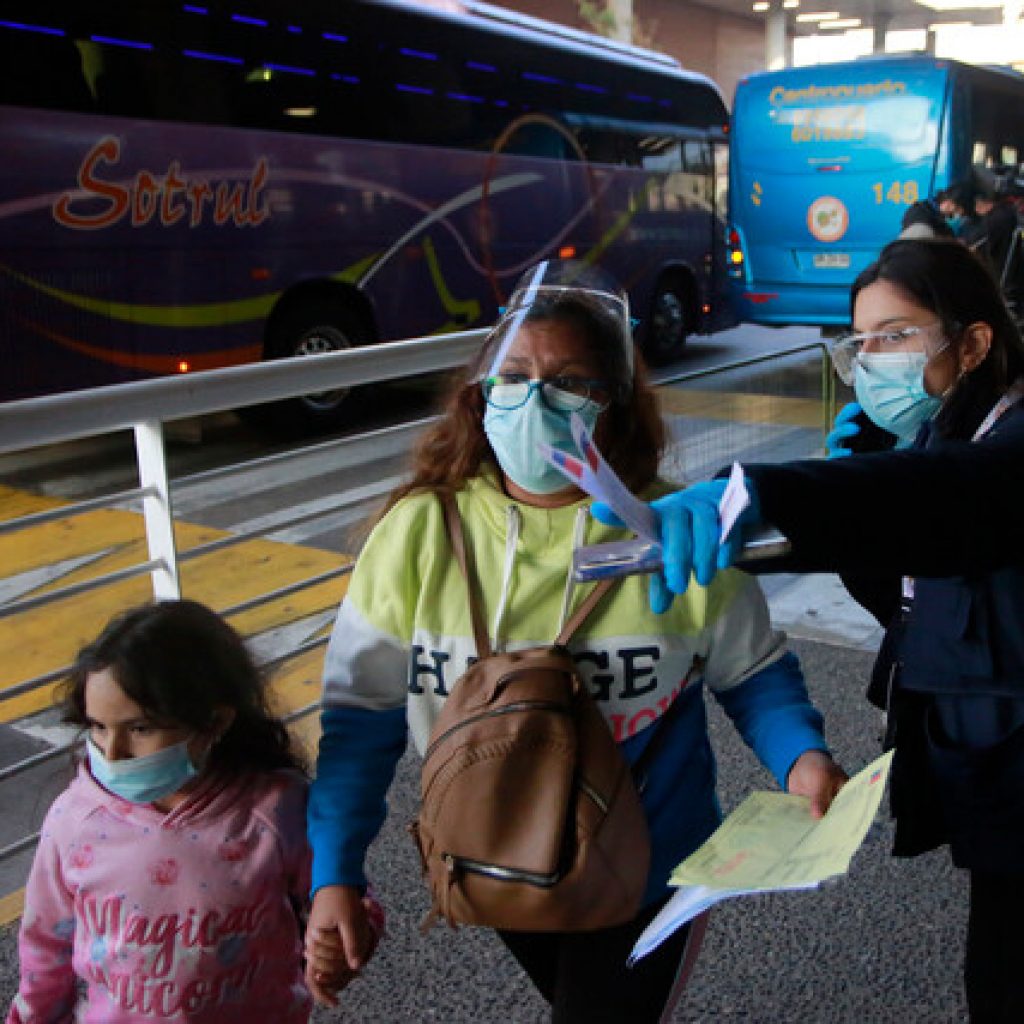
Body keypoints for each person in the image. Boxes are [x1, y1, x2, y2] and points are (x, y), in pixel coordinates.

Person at [304, 259, 847, 1023]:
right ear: (479, 392)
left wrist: (802, 755)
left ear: (612, 403)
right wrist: (335, 874)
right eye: (514, 374)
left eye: (567, 382)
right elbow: (358, 723)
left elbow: (753, 674)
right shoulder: (416, 534)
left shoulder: (675, 529)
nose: (534, 399)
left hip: (650, 872)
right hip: (495, 859)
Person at [597, 238, 1024, 1022]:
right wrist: (866, 507)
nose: (872, 362)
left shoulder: (1002, 440)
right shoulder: (938, 436)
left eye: (895, 336)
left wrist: (777, 493)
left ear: (973, 343)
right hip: (987, 771)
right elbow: (907, 608)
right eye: (858, 343)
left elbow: (966, 500)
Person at [6, 599, 383, 1024]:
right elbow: (44, 946)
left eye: (141, 729)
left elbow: (343, 897)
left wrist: (341, 940)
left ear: (215, 722)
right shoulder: (72, 820)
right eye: (97, 726)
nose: (112, 752)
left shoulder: (276, 810)